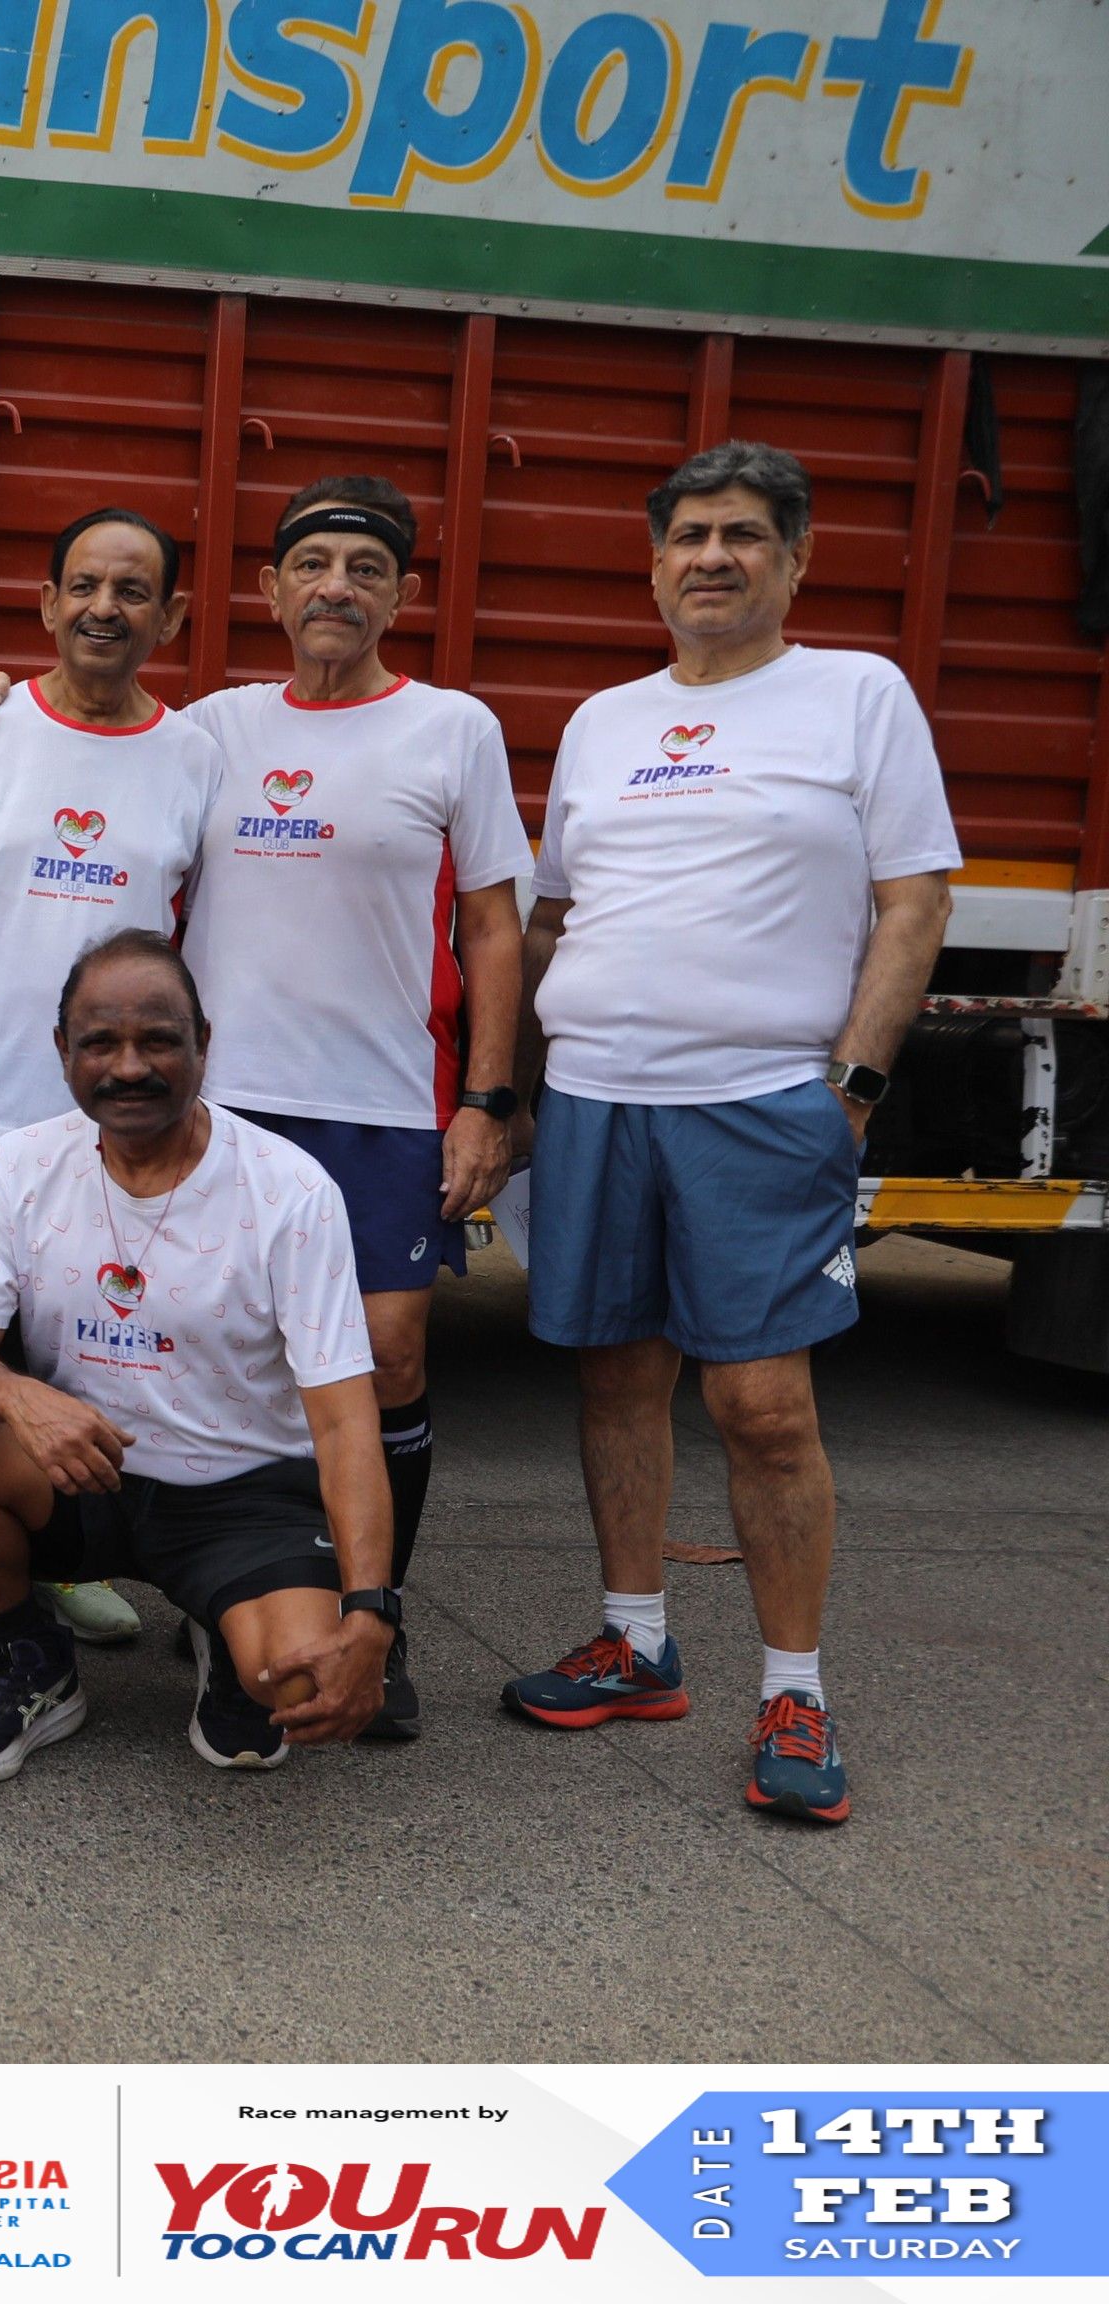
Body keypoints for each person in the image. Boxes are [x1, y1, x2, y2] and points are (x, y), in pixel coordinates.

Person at [0, 477, 532, 1738]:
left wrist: (488, 1098)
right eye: (312, 564)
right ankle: (220, 1581)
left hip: (379, 1100)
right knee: (181, 1348)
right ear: (268, 589)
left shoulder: (453, 728)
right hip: (220, 1098)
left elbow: (492, 924)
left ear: (403, 594)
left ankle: (375, 1612)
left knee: (386, 1360)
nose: (336, 589)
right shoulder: (214, 729)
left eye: (365, 569)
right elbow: (89, 740)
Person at [501, 441, 955, 1826]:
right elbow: (552, 919)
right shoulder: (604, 720)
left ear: (795, 562)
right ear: (654, 568)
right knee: (616, 1379)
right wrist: (518, 1094)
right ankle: (636, 1643)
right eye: (689, 536)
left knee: (761, 1407)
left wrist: (852, 1089)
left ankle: (795, 1690)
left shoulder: (858, 695)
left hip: (760, 1103)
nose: (713, 557)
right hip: (598, 1098)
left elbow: (915, 903)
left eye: (745, 534)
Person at [0, 931, 395, 1782]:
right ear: (63, 1051)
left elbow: (347, 1424)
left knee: (302, 1685)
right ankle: (35, 1662)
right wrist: (21, 1399)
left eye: (159, 1040)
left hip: (241, 1494)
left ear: (204, 1042)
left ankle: (224, 1628)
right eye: (101, 1042)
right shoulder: (16, 1167)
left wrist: (373, 1615)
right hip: (82, 1470)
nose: (129, 1067)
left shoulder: (290, 1189)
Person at [0, 506, 223, 1652]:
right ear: (45, 604)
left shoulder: (195, 756)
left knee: (86, 1337)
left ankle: (67, 1558)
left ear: (170, 616)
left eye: (132, 590)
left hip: (115, 1110)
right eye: (83, 585)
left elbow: (193, 927)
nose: (104, 608)